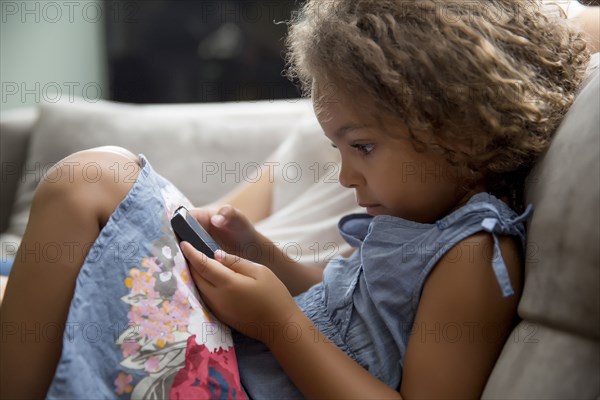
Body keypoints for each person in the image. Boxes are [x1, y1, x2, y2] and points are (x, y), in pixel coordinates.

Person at [0, 0, 591, 398]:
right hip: (243, 351)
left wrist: (277, 323)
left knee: (92, 179)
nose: (345, 177)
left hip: (241, 379)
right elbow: (346, 312)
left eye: (362, 147)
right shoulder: (422, 222)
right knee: (89, 198)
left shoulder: (475, 258)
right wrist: (263, 256)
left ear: (460, 127)